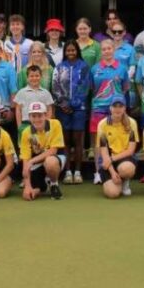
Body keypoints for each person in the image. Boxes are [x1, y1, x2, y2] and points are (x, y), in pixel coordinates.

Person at [51, 40, 92, 185]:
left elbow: (86, 87)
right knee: (65, 140)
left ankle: (78, 172)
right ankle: (68, 172)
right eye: (68, 50)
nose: (70, 53)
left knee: (78, 140)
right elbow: (55, 86)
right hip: (63, 109)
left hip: (79, 109)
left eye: (73, 50)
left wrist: (74, 103)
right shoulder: (59, 67)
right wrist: (63, 104)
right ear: (65, 52)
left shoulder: (84, 67)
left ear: (77, 51)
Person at [89, 39, 130, 156]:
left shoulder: (122, 68)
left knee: (116, 140)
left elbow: (125, 88)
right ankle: (98, 172)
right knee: (98, 141)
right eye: (104, 49)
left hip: (116, 108)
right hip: (98, 108)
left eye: (109, 49)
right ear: (101, 51)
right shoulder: (94, 69)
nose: (107, 51)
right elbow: (91, 88)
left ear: (114, 50)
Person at [19, 101, 66, 200]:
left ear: (45, 115)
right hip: (37, 163)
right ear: (29, 117)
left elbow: (53, 151)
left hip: (56, 158)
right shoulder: (26, 133)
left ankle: (54, 184)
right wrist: (27, 187)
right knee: (31, 193)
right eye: (33, 116)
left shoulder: (55, 124)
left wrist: (31, 161)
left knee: (50, 161)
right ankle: (42, 186)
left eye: (40, 115)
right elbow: (25, 161)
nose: (37, 119)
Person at [97, 95, 139, 199]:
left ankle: (125, 181)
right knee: (113, 193)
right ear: (110, 108)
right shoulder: (102, 124)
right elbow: (104, 152)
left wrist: (112, 159)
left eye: (120, 106)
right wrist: (112, 172)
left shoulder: (132, 123)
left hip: (124, 158)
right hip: (108, 161)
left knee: (127, 169)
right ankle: (116, 181)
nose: (117, 109)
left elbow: (130, 150)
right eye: (115, 106)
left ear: (124, 108)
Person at [14, 65, 55, 136]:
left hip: (41, 124)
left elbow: (49, 109)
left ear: (41, 77)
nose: (34, 78)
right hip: (26, 124)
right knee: (25, 146)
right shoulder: (21, 92)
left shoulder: (46, 93)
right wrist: (19, 126)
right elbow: (18, 110)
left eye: (37, 76)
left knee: (40, 145)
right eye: (31, 76)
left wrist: (46, 123)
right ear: (27, 78)